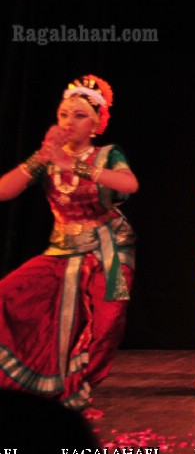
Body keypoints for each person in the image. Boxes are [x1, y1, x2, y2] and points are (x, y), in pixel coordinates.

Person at [0, 75, 137, 416]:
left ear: (96, 124)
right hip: (61, 250)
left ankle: (81, 388)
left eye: (79, 115)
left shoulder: (107, 154)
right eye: (63, 115)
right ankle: (39, 388)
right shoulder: (47, 156)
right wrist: (41, 157)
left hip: (108, 249)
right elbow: (4, 191)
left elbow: (128, 185)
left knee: (108, 320)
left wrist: (73, 164)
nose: (68, 122)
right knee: (9, 295)